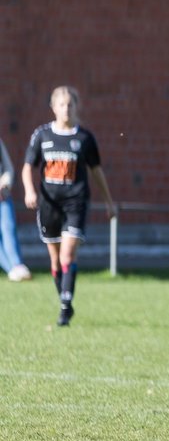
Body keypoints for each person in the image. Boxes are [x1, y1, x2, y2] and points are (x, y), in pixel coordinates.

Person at [21, 86, 117, 326]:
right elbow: (27, 167)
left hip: (76, 202)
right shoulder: (42, 135)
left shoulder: (84, 138)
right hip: (49, 204)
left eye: (70, 104)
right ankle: (65, 301)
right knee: (55, 261)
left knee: (67, 254)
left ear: (76, 107)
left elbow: (96, 171)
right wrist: (30, 190)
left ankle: (65, 307)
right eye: (61, 104)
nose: (66, 109)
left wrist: (109, 202)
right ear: (53, 107)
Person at [0, 137, 32, 281]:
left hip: (2, 196)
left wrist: (5, 183)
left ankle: (17, 265)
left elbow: (8, 168)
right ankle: (12, 269)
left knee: (9, 229)